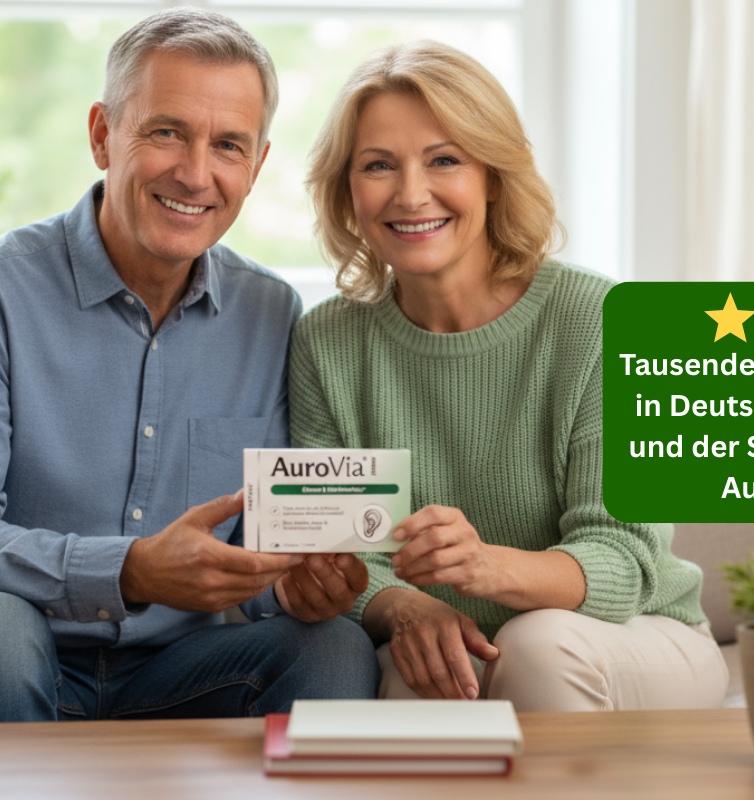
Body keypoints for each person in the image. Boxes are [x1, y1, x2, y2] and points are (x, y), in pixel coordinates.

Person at [0, 8, 378, 725]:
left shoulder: (271, 312)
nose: (195, 174)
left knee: (334, 651)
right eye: (166, 132)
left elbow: (259, 557)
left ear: (256, 167)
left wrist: (294, 586)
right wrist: (128, 570)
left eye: (227, 145)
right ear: (102, 135)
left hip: (170, 671)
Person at [293, 41, 727, 711]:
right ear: (347, 189)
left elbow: (622, 557)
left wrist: (484, 566)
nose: (411, 193)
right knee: (416, 670)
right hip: (463, 641)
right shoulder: (326, 342)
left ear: (492, 177)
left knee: (538, 645)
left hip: (633, 634)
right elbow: (341, 556)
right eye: (379, 165)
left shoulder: (600, 318)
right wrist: (407, 607)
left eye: (444, 160)